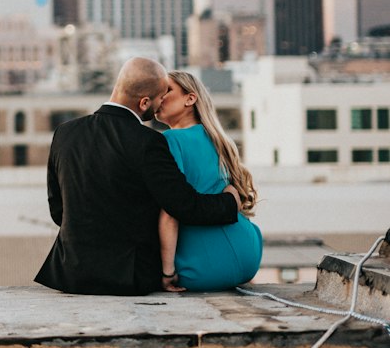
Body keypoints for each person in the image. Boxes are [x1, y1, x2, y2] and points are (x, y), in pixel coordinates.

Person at [34, 57, 240, 296]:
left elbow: (57, 210)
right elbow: (183, 205)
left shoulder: (65, 133)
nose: (162, 103)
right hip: (129, 278)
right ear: (144, 102)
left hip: (70, 274)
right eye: (161, 97)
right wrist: (229, 202)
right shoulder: (148, 142)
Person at [157, 70, 263, 292]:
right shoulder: (218, 138)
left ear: (190, 98)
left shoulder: (170, 139)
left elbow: (171, 212)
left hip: (203, 269)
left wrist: (167, 273)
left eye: (167, 90)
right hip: (250, 256)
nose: (160, 96)